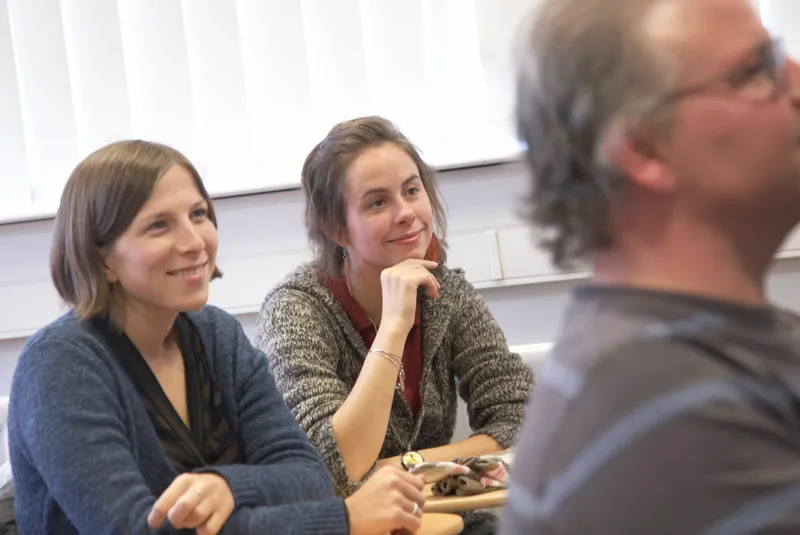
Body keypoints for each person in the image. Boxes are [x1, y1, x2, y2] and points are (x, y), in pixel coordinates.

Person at [8, 140, 427, 535]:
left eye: (198, 214)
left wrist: (228, 487)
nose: (194, 242)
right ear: (102, 258)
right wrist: (341, 520)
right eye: (158, 225)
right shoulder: (58, 365)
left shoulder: (216, 334)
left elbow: (308, 476)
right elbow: (133, 529)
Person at [500, 0, 800, 533]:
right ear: (645, 148)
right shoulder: (657, 398)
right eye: (758, 70)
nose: (796, 83)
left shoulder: (708, 350)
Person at [255, 116, 534, 533]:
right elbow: (329, 471)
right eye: (377, 203)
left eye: (411, 190)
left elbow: (523, 419)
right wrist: (393, 328)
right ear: (336, 228)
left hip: (446, 520)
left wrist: (406, 466)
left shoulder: (447, 292)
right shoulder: (294, 310)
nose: (406, 213)